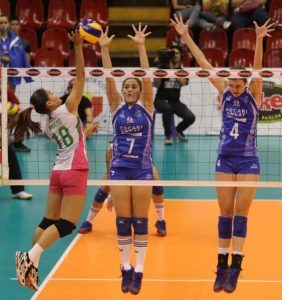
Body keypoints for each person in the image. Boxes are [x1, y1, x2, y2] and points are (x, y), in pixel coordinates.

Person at [171, 14, 274, 293]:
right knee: (225, 213)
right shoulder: (225, 91)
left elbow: (258, 67)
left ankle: (236, 267)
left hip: (248, 160)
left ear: (247, 83)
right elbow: (204, 63)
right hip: (224, 159)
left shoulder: (253, 93)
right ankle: (221, 265)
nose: (234, 87)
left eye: (239, 84)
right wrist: (186, 36)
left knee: (241, 213)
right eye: (232, 84)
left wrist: (260, 40)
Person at [9, 30, 96, 291]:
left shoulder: (47, 123)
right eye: (51, 92)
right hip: (75, 170)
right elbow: (81, 76)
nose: (56, 93)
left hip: (58, 171)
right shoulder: (68, 108)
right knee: (67, 224)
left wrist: (85, 131)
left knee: (48, 221)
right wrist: (78, 46)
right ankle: (30, 258)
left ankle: (29, 266)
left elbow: (71, 135)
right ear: (49, 102)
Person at [99, 23, 153, 295]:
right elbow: (109, 77)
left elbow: (147, 76)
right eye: (127, 86)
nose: (130, 89)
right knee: (123, 221)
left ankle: (140, 270)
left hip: (142, 170)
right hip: (119, 170)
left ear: (139, 90)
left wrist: (141, 46)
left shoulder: (147, 106)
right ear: (122, 91)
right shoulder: (116, 106)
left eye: (134, 86)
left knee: (140, 221)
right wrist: (104, 49)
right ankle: (125, 268)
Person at [78, 145, 167, 237]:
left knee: (156, 182)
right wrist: (113, 194)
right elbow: (109, 173)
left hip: (141, 164)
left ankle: (161, 221)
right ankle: (88, 221)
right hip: (120, 167)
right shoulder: (114, 146)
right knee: (105, 186)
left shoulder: (142, 138)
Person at [154, 46, 195, 145]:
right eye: (173, 53)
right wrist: (158, 73)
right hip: (160, 100)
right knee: (167, 108)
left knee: (190, 117)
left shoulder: (182, 71)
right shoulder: (162, 68)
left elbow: (183, 83)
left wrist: (172, 70)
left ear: (181, 56)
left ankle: (178, 130)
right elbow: (157, 85)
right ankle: (168, 135)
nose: (174, 55)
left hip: (175, 101)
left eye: (177, 53)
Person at [0, 15, 32, 89]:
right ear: (9, 26)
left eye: (16, 24)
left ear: (20, 26)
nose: (14, 27)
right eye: (12, 24)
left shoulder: (25, 43)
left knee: (10, 97)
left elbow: (26, 63)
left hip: (13, 75)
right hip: (1, 72)